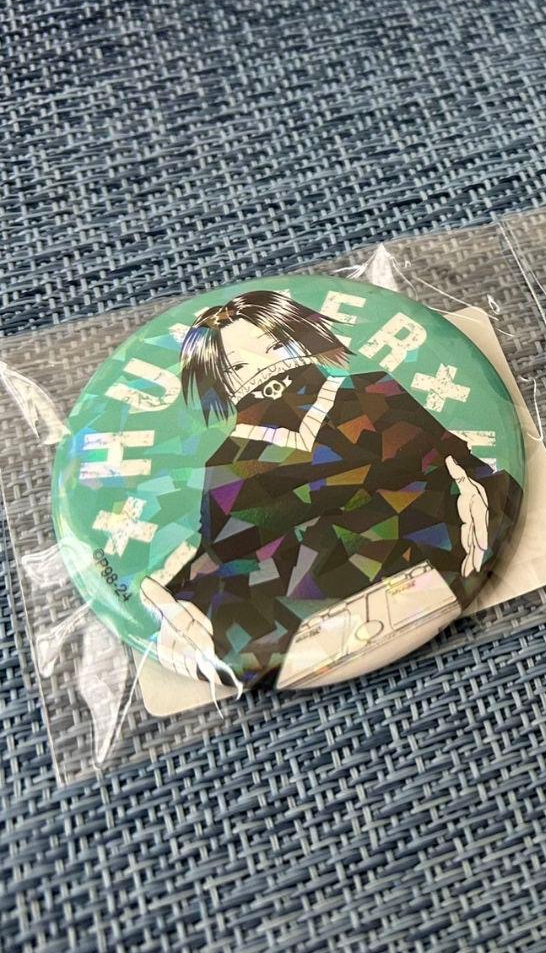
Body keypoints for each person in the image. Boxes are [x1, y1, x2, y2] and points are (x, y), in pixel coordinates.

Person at [140, 291, 520, 687]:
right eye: (237, 365)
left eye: (275, 346)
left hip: (439, 579)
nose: (266, 368)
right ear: (217, 383)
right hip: (315, 635)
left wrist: (475, 490)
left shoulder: (374, 393)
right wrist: (185, 599)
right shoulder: (227, 465)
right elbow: (228, 557)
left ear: (304, 339)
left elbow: (462, 468)